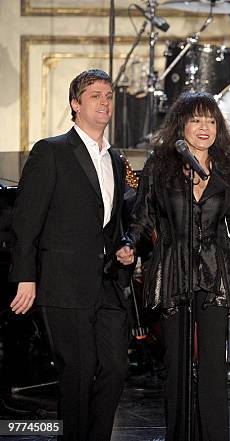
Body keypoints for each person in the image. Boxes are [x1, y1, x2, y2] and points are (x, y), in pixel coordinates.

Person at [115, 92, 230, 441]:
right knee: (176, 365)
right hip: (174, 267)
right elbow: (142, 221)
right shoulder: (160, 167)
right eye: (196, 120)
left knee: (212, 367)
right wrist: (130, 246)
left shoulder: (226, 167)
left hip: (217, 270)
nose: (204, 127)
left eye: (210, 120)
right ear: (182, 125)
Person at [9, 69, 131, 441]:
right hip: (64, 282)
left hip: (107, 282)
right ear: (75, 104)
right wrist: (25, 276)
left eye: (108, 95)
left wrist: (126, 248)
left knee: (114, 368)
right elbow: (26, 221)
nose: (104, 102)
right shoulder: (52, 151)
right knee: (77, 374)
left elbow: (113, 222)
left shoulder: (115, 158)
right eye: (95, 95)